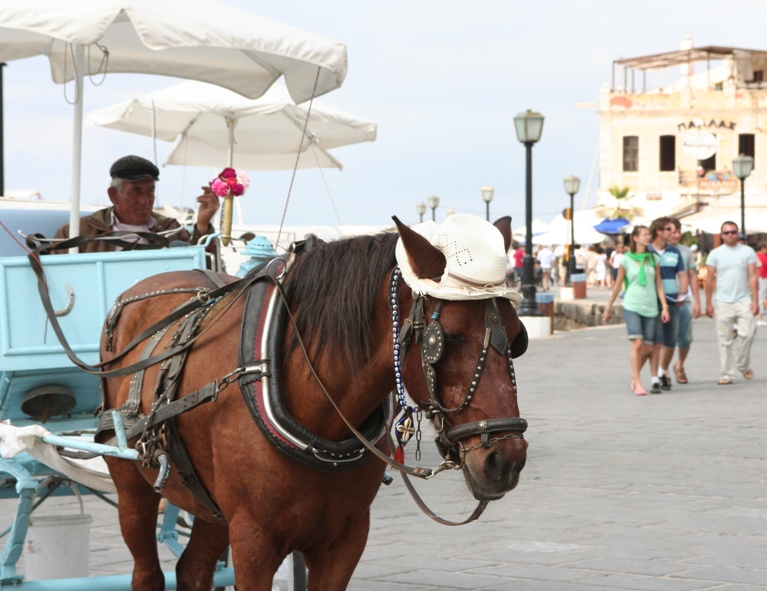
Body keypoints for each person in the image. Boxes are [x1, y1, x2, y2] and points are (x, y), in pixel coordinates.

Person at [53, 155, 220, 252]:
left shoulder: (170, 230)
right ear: (113, 195)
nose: (145, 201)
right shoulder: (77, 232)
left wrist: (203, 226)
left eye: (150, 191)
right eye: (136, 191)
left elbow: (201, 271)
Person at [603, 226, 670, 396]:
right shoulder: (625, 260)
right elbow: (618, 284)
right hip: (632, 305)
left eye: (649, 234)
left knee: (648, 348)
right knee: (638, 344)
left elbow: (659, 284)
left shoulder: (653, 259)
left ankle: (635, 377)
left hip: (651, 307)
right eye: (645, 234)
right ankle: (638, 382)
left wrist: (665, 306)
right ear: (635, 238)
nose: (648, 237)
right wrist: (609, 305)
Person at [705, 221, 759, 385]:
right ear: (721, 235)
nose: (730, 235)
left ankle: (743, 364)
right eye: (727, 233)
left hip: (744, 300)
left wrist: (755, 300)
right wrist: (708, 303)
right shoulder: (715, 253)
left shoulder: (747, 251)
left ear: (738, 234)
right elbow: (709, 279)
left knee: (748, 334)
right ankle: (726, 373)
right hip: (723, 301)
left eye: (733, 232)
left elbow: (752, 276)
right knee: (724, 340)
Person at [647, 217, 688, 394]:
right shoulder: (647, 251)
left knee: (671, 340)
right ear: (659, 232)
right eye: (669, 230)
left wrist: (683, 293)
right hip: (651, 300)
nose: (673, 233)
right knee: (653, 341)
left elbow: (682, 274)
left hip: (672, 299)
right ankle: (653, 376)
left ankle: (663, 371)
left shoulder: (674, 252)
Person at [667, 218, 701, 384]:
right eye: (672, 231)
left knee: (685, 338)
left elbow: (692, 277)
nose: (676, 235)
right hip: (664, 300)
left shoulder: (686, 252)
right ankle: (663, 370)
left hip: (683, 300)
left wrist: (697, 302)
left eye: (678, 231)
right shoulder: (656, 251)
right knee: (664, 337)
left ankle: (679, 365)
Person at [756, 241, 767, 326]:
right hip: (763, 278)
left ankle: (760, 316)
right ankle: (760, 318)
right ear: (763, 248)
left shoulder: (756, 256)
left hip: (760, 278)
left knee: (761, 297)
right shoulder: (763, 257)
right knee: (762, 297)